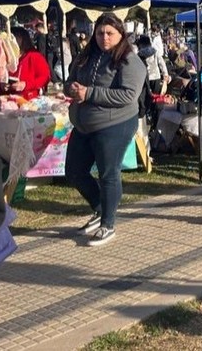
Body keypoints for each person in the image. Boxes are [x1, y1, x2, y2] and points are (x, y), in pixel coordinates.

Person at [64, 14, 147, 246]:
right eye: (100, 33)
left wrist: (89, 93)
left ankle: (108, 224)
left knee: (108, 173)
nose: (104, 38)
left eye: (110, 33)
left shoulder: (129, 59)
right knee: (74, 171)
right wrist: (70, 88)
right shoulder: (86, 54)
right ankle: (101, 208)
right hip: (83, 124)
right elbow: (70, 79)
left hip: (114, 124)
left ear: (120, 34)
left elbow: (128, 95)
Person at [0, 27, 51, 100]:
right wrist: (0, 85)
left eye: (15, 37)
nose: (11, 41)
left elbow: (45, 77)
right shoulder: (0, 55)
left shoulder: (34, 55)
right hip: (2, 99)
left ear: (23, 39)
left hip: (27, 100)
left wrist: (26, 85)